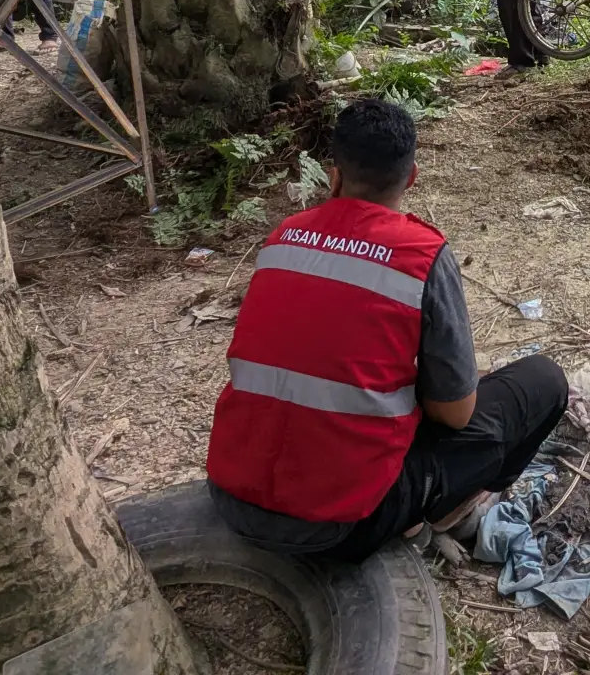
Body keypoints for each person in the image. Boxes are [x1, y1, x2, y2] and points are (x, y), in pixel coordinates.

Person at [206, 97, 568, 560]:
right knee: (543, 381)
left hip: (231, 493)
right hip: (340, 526)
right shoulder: (421, 254)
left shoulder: (282, 239)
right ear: (411, 178)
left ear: (332, 174)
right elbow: (456, 414)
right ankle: (451, 511)